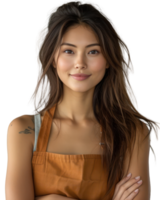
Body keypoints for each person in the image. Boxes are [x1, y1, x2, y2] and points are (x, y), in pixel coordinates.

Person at [5, 0, 158, 200]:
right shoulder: (22, 130)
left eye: (93, 51)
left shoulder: (133, 132)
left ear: (109, 60)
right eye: (69, 51)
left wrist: (51, 199)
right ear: (53, 58)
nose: (80, 63)